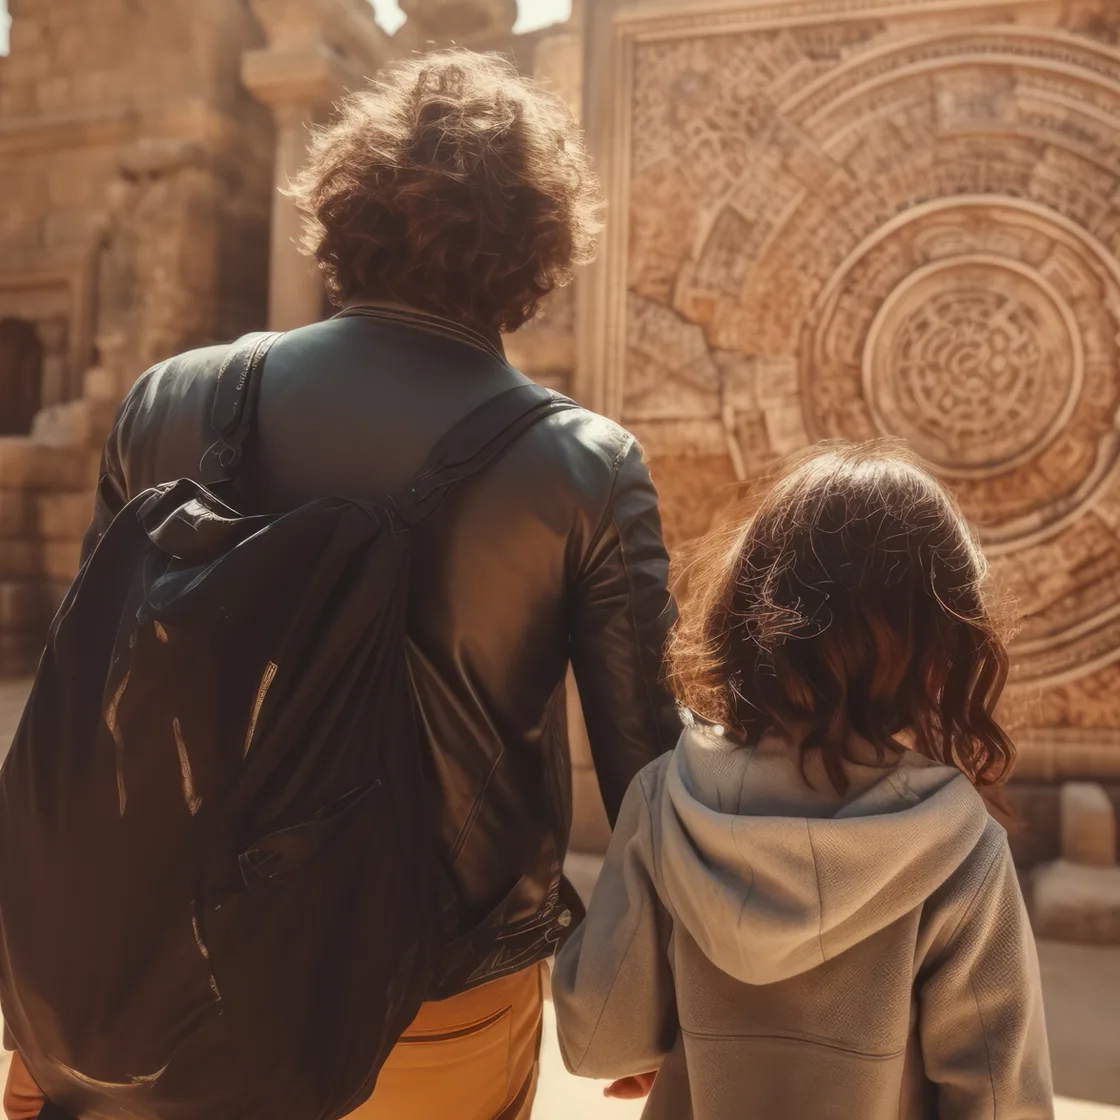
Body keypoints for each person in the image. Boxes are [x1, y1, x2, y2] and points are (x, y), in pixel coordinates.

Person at [3, 50, 680, 1120]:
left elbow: (89, 707)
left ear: (341, 207)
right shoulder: (583, 466)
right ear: (539, 248)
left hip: (142, 992)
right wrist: (656, 1009)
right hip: (427, 1006)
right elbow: (652, 776)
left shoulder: (168, 400)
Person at [552, 444, 1054, 1119]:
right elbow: (1001, 1102)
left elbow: (597, 1041)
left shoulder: (667, 797)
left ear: (750, 611)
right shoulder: (961, 848)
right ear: (942, 643)